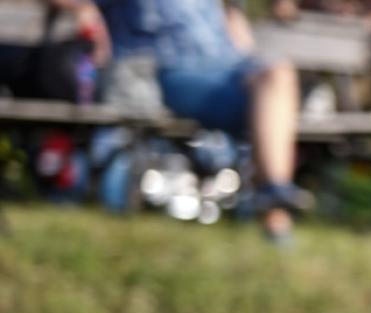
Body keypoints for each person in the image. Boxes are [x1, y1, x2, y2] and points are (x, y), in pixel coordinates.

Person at [93, 0, 305, 241]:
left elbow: (235, 23)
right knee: (269, 92)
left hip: (227, 67)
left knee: (278, 72)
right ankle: (275, 211)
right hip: (169, 71)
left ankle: (275, 194)